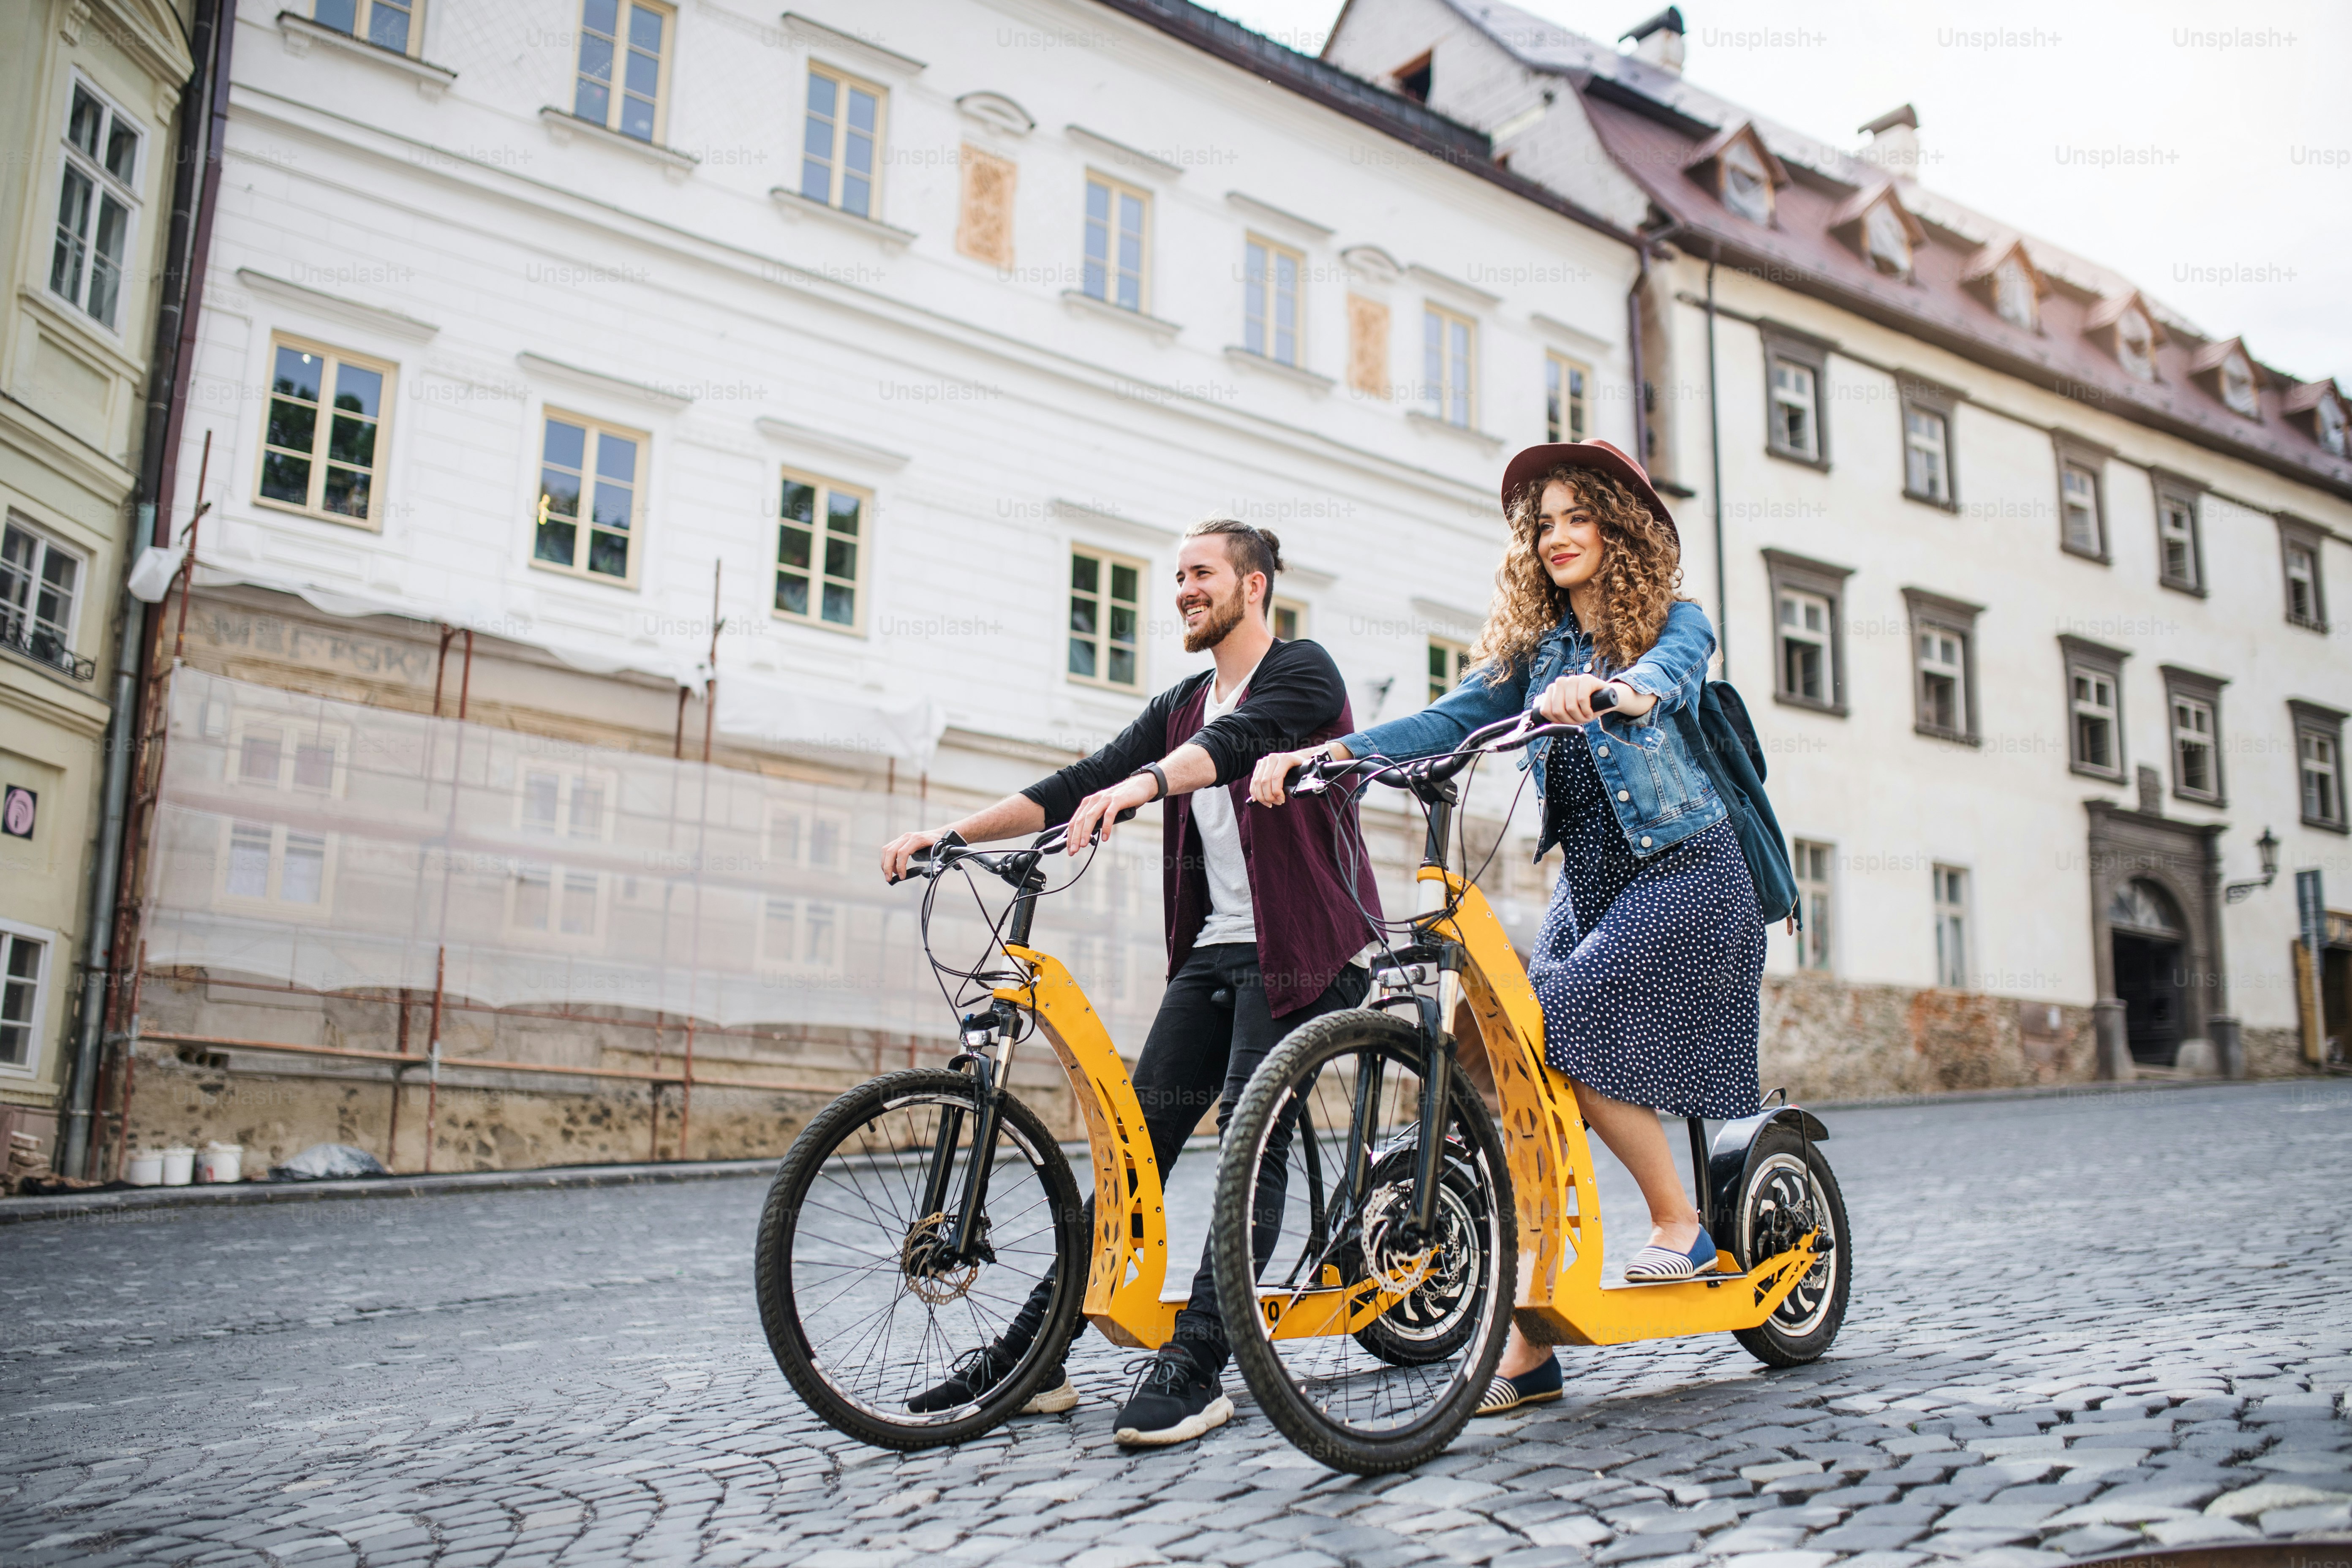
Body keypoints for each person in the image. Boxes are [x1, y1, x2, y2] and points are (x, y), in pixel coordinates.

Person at [1252, 439, 1764, 1416]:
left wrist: (1619, 689)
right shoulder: (1536, 654)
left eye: (1580, 516)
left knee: (1553, 1029)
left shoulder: (1674, 621)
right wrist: (1339, 751)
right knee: (1492, 1060)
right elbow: (1449, 717)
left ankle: (1681, 1221)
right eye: (1545, 523)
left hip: (1689, 870)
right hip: (1595, 883)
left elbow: (1672, 671)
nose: (1559, 536)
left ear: (1622, 528)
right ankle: (1529, 1341)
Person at [879, 517, 1382, 1446]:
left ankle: (1197, 1362)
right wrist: (951, 835)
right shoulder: (1181, 702)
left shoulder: (1306, 673)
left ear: (1255, 584)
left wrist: (1147, 787)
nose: (1185, 588)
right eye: (1178, 575)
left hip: (1308, 949)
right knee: (1130, 1150)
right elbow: (1082, 779)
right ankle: (1037, 1352)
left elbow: (1236, 745)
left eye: (1203, 573)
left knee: (1247, 1144)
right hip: (1216, 953)